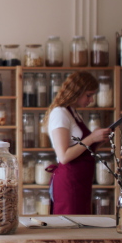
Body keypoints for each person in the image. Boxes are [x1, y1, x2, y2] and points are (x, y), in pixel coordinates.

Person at [43, 71, 111, 214]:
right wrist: (91, 138)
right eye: (89, 95)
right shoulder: (60, 113)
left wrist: (97, 141)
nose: (91, 100)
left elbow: (80, 151)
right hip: (69, 183)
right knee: (70, 229)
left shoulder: (73, 113)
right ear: (76, 92)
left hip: (80, 182)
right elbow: (64, 156)